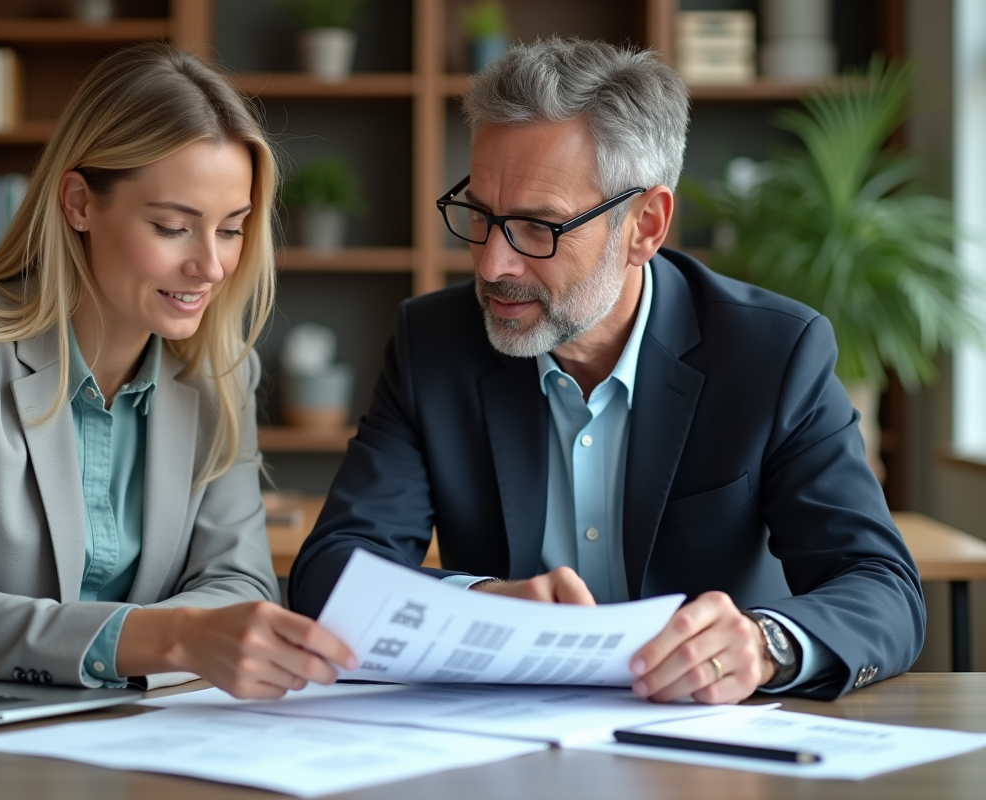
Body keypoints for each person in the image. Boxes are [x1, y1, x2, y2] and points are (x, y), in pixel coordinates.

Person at [289, 37, 924, 703]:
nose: (492, 266)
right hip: (499, 745)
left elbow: (882, 588)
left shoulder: (772, 353)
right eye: (480, 216)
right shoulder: (434, 343)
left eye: (538, 227)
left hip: (706, 748)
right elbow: (332, 572)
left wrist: (765, 646)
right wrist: (483, 603)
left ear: (645, 226)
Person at [0, 42, 355, 700]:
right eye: (173, 227)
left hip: (150, 731)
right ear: (79, 203)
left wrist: (171, 640)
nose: (210, 266)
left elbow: (240, 583)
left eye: (231, 229)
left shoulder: (222, 371)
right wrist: (173, 637)